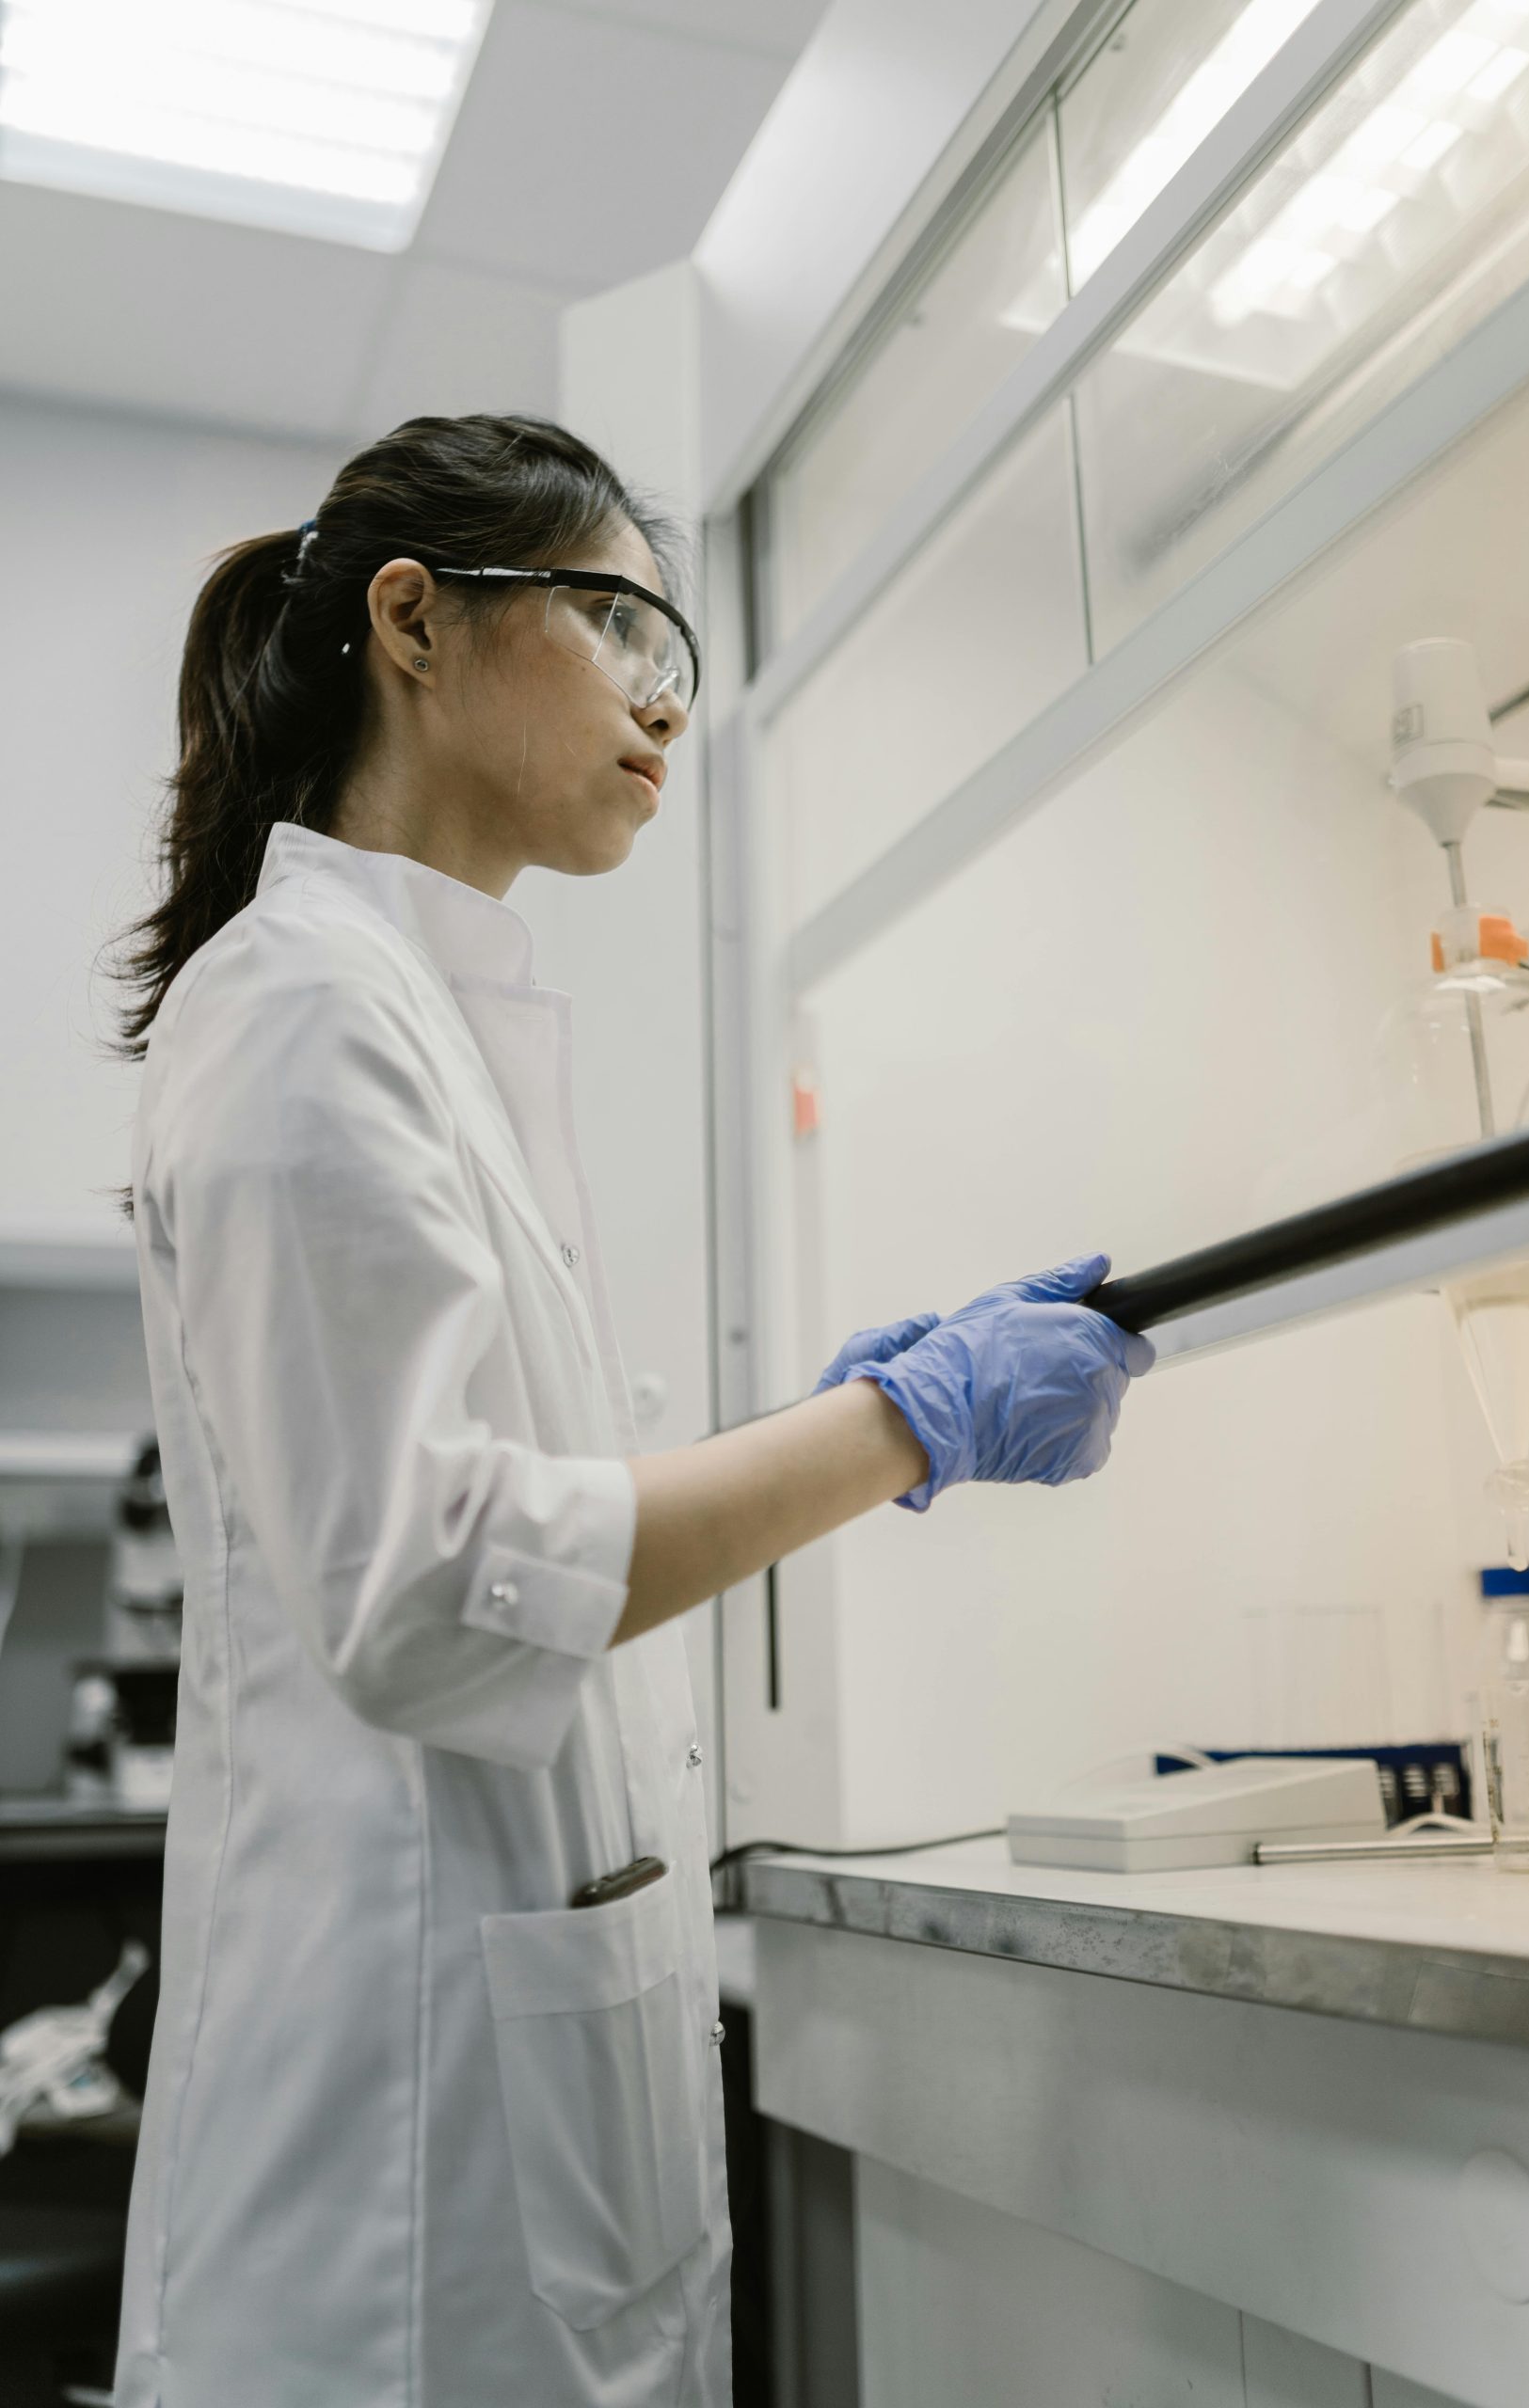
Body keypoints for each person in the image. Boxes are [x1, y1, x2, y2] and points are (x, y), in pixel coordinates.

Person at [108, 413, 1152, 2408]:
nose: (664, 706)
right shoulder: (302, 1008)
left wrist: (869, 1410)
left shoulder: (419, 1015)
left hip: (507, 2126)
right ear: (414, 620)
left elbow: (519, 1519)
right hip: (389, 2209)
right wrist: (902, 1423)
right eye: (617, 625)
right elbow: (430, 1585)